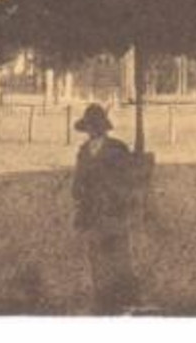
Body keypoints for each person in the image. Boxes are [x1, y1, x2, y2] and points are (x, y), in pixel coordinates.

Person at [72, 103, 139, 314]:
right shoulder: (83, 152)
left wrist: (117, 196)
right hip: (91, 209)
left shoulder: (117, 149)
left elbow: (128, 179)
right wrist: (78, 191)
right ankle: (102, 296)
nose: (92, 130)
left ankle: (123, 296)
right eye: (90, 127)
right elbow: (77, 181)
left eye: (95, 126)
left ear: (102, 127)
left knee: (118, 252)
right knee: (95, 254)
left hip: (113, 208)